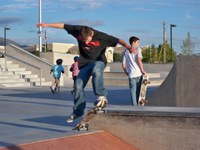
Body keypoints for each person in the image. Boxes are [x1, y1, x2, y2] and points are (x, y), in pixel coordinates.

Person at [37, 22, 137, 123]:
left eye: (88, 41)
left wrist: (129, 47)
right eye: (83, 41)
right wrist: (47, 25)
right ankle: (78, 111)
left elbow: (119, 40)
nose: (86, 43)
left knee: (96, 71)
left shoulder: (102, 36)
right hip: (85, 63)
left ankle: (101, 96)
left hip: (99, 61)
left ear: (91, 34)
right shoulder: (78, 30)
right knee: (78, 86)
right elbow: (63, 25)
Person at [122, 36, 146, 106]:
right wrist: (142, 70)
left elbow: (123, 64)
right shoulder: (138, 49)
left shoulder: (125, 51)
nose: (138, 43)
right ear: (133, 42)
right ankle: (138, 105)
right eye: (137, 42)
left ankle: (134, 106)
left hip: (131, 75)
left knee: (132, 91)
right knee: (138, 91)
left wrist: (126, 72)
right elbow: (139, 60)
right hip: (138, 74)